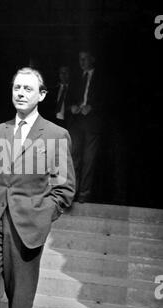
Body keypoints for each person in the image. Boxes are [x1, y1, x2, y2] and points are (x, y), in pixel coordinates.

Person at [0, 67, 75, 308]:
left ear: (41, 95)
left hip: (27, 228)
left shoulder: (56, 134)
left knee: (20, 306)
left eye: (28, 89)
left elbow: (64, 189)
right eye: (17, 87)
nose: (20, 93)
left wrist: (42, 214)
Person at [69, 50, 103, 203]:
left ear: (92, 59)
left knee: (89, 159)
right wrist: (72, 107)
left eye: (85, 59)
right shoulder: (77, 78)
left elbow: (107, 99)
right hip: (77, 122)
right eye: (79, 59)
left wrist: (92, 107)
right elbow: (69, 97)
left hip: (92, 123)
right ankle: (72, 192)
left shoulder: (101, 78)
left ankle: (84, 194)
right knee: (74, 156)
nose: (81, 62)